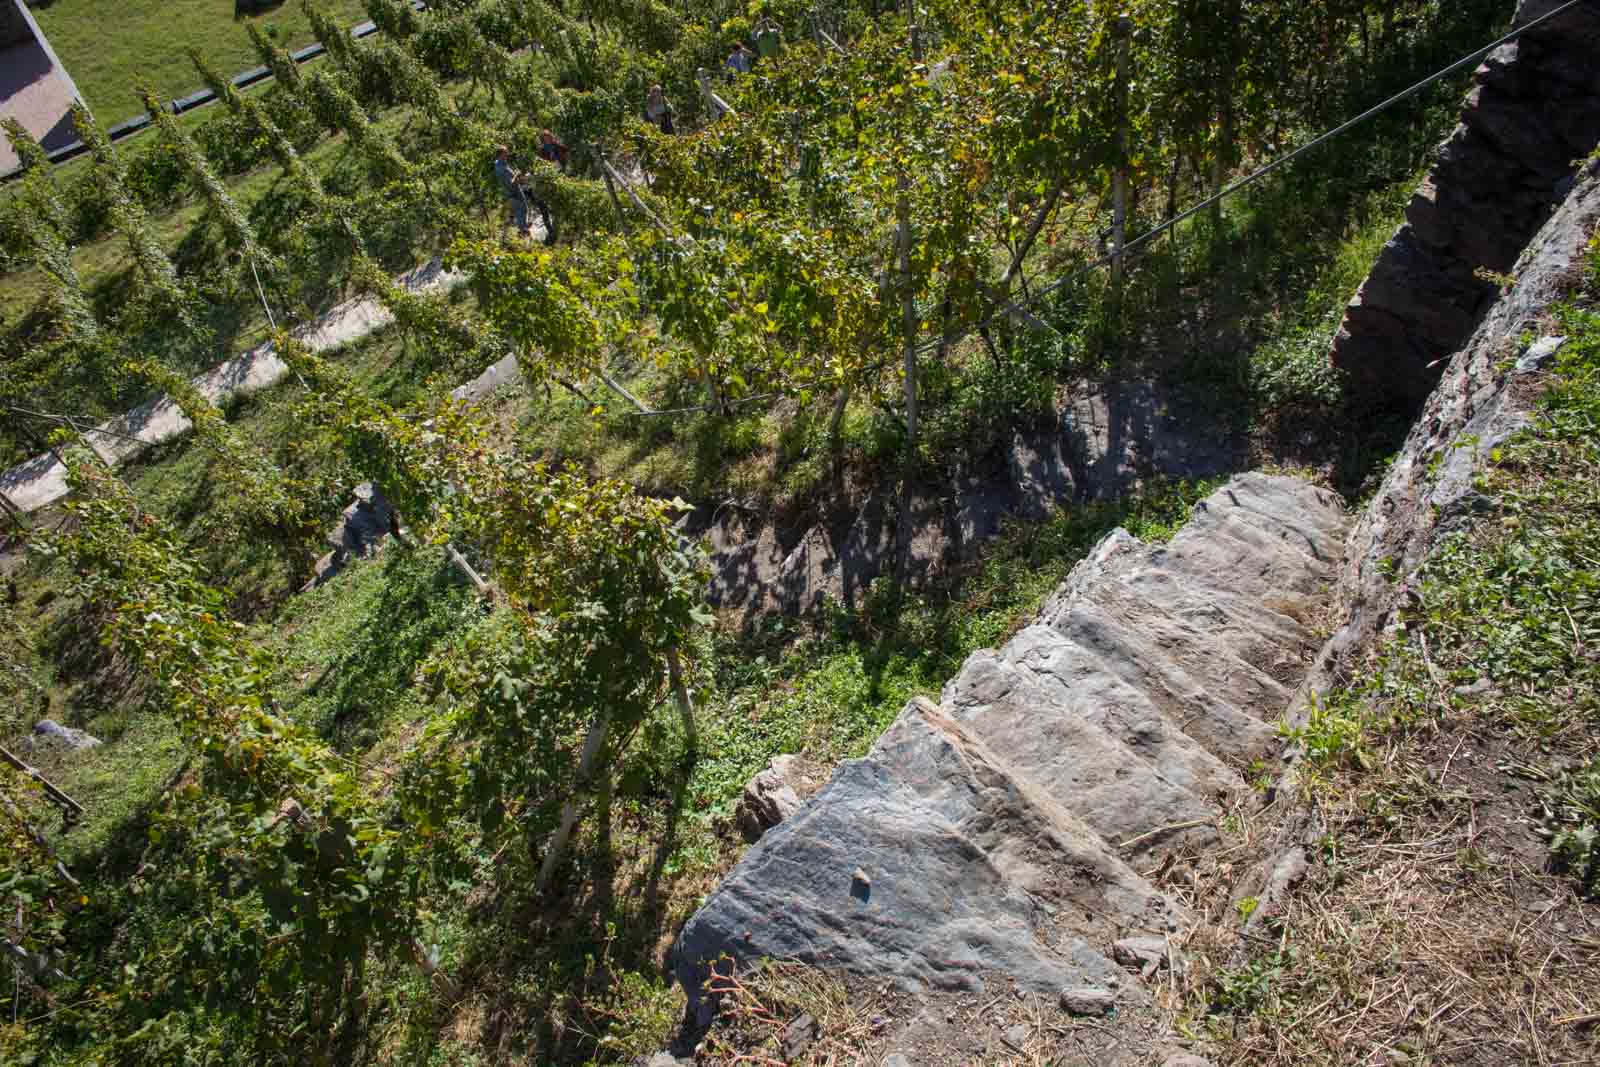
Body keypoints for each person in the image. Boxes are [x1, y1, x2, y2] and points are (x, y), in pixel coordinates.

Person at [494, 145, 530, 238]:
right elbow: (511, 183)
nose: (507, 154)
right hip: (512, 192)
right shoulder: (501, 168)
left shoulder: (503, 163)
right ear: (500, 154)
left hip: (515, 190)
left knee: (523, 209)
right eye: (505, 153)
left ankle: (522, 229)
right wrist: (517, 175)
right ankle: (522, 232)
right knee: (520, 210)